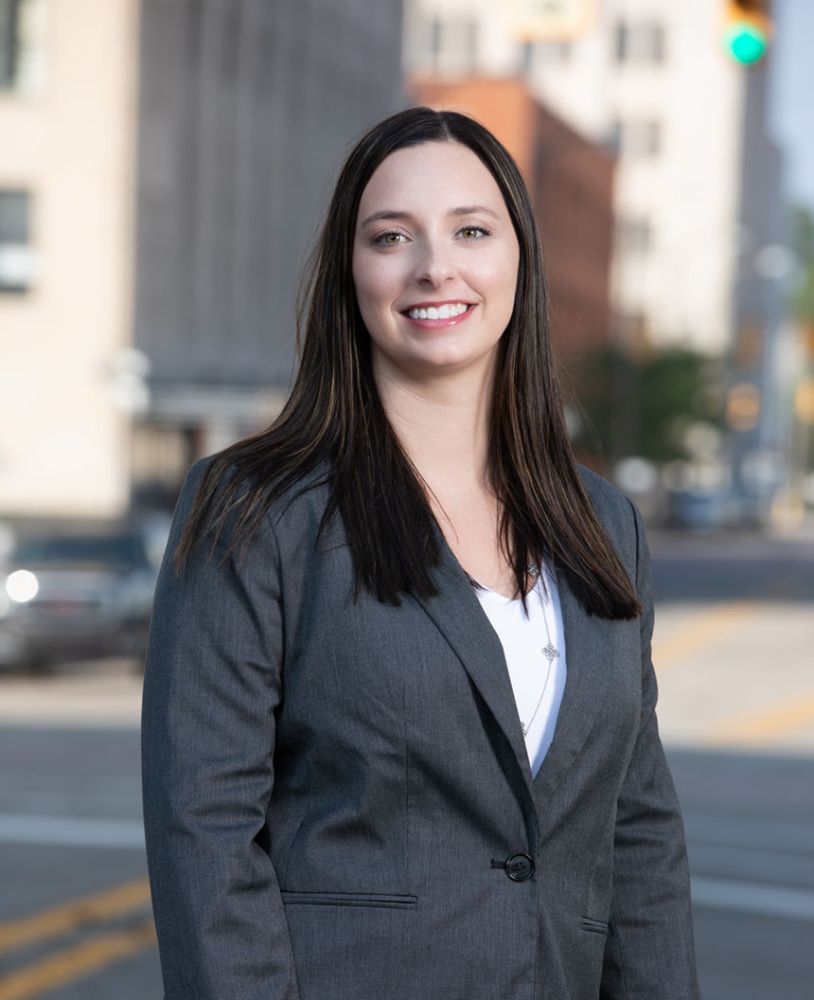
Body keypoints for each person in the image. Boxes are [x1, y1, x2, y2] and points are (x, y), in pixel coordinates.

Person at [141, 107, 700, 1000]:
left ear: (518, 256)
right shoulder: (253, 509)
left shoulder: (603, 524)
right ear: (349, 271)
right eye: (390, 236)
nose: (434, 266)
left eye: (470, 230)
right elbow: (203, 832)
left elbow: (636, 832)